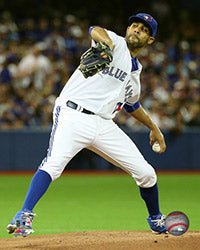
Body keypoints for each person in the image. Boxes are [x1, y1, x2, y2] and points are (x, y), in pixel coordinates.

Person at [7, 13, 167, 237]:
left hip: (103, 124)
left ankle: (156, 219)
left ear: (150, 40)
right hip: (73, 114)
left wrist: (154, 128)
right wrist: (108, 43)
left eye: (144, 29)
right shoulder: (115, 42)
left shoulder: (135, 73)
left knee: (147, 174)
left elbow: (132, 105)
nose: (137, 29)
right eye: (134, 25)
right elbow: (95, 29)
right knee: (53, 165)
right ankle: (23, 215)